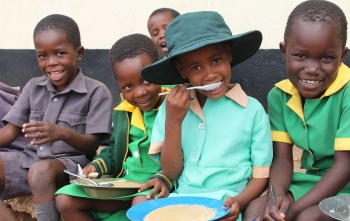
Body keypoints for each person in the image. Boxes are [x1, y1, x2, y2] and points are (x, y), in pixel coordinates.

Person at [141, 11, 273, 221]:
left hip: (225, 204)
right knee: (141, 205)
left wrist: (240, 201)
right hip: (182, 201)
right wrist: (173, 121)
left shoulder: (252, 110)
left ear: (229, 55)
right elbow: (171, 172)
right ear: (181, 70)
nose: (210, 74)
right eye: (196, 67)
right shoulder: (172, 107)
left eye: (216, 60)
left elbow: (261, 176)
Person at [243, 1, 350, 221]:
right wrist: (277, 197)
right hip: (314, 181)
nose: (312, 68)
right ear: (283, 52)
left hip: (346, 183)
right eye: (300, 56)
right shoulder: (279, 97)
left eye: (327, 57)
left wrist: (293, 210)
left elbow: (345, 165)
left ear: (342, 56)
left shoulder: (347, 92)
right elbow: (282, 159)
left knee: (307, 218)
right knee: (257, 209)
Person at [0, 14, 113, 221]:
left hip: (69, 166)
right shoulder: (33, 87)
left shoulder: (97, 91)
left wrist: (62, 133)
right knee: (36, 168)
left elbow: (91, 146)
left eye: (60, 53)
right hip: (28, 160)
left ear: (79, 53)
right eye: (43, 56)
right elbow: (9, 132)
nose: (51, 62)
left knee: (40, 171)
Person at [55, 33, 172, 221]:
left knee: (140, 205)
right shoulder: (123, 112)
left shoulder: (173, 107)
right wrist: (95, 167)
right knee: (65, 200)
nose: (139, 92)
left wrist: (164, 177)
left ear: (158, 71)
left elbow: (183, 151)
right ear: (118, 85)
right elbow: (114, 148)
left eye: (146, 81)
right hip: (124, 186)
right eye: (127, 87)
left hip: (157, 186)